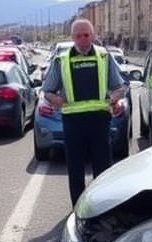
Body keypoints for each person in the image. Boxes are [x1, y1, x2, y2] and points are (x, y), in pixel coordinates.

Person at [41, 19, 127, 205]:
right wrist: (54, 98)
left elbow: (119, 86)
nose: (83, 39)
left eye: (86, 35)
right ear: (72, 37)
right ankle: (78, 209)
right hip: (73, 122)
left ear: (93, 35)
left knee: (103, 169)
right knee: (75, 169)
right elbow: (47, 90)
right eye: (78, 36)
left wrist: (116, 98)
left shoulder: (104, 56)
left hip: (99, 120)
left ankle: (101, 208)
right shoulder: (61, 60)